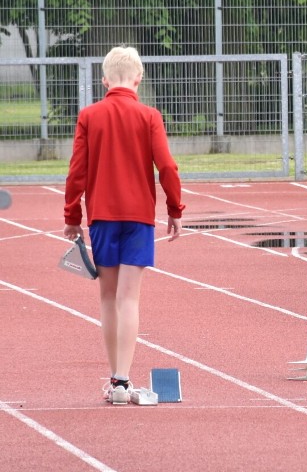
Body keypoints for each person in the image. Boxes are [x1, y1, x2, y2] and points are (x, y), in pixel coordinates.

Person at [63, 46, 185, 405]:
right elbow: (167, 167)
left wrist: (72, 217)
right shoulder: (149, 116)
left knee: (107, 298)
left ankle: (115, 381)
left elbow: (77, 172)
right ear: (139, 77)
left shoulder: (89, 115)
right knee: (129, 298)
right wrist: (175, 208)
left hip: (102, 217)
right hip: (138, 219)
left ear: (104, 80)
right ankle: (123, 380)